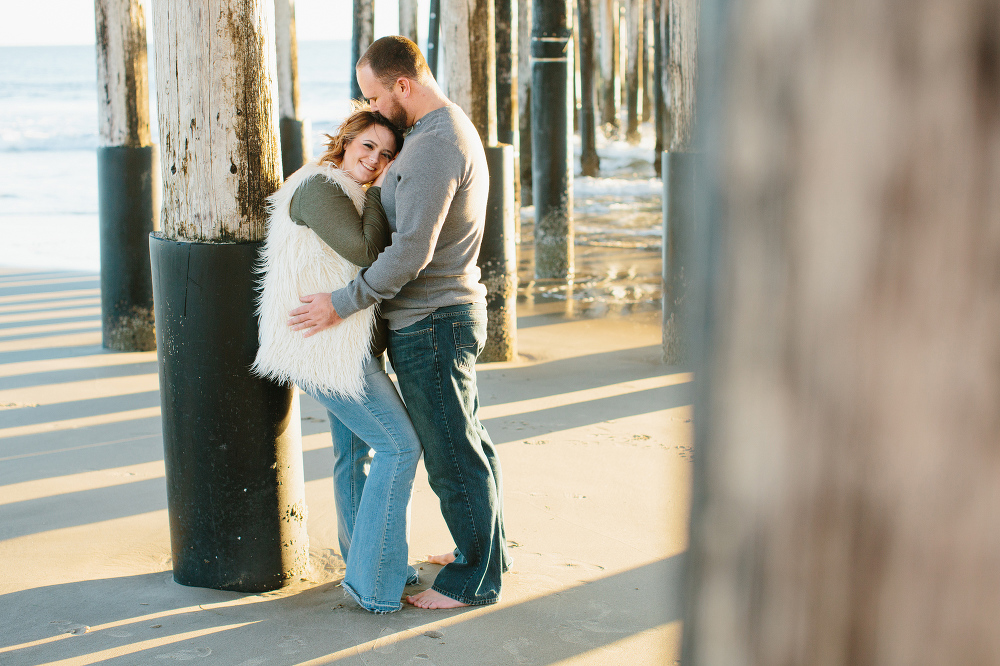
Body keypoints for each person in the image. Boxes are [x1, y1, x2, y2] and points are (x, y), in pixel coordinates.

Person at [288, 36, 509, 609]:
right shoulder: (437, 134)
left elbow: (410, 250)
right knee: (468, 444)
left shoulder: (436, 144)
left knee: (450, 452)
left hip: (433, 321)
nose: (373, 106)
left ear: (402, 86)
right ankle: (481, 550)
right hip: (436, 317)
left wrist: (342, 301)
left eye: (375, 95)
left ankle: (475, 580)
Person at [252, 103, 421, 614]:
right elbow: (369, 253)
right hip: (328, 350)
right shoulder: (322, 188)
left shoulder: (339, 188)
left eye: (388, 154)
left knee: (356, 456)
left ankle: (364, 557)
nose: (375, 160)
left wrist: (373, 188)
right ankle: (373, 581)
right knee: (399, 448)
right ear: (346, 141)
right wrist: (378, 191)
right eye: (368, 147)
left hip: (338, 343)